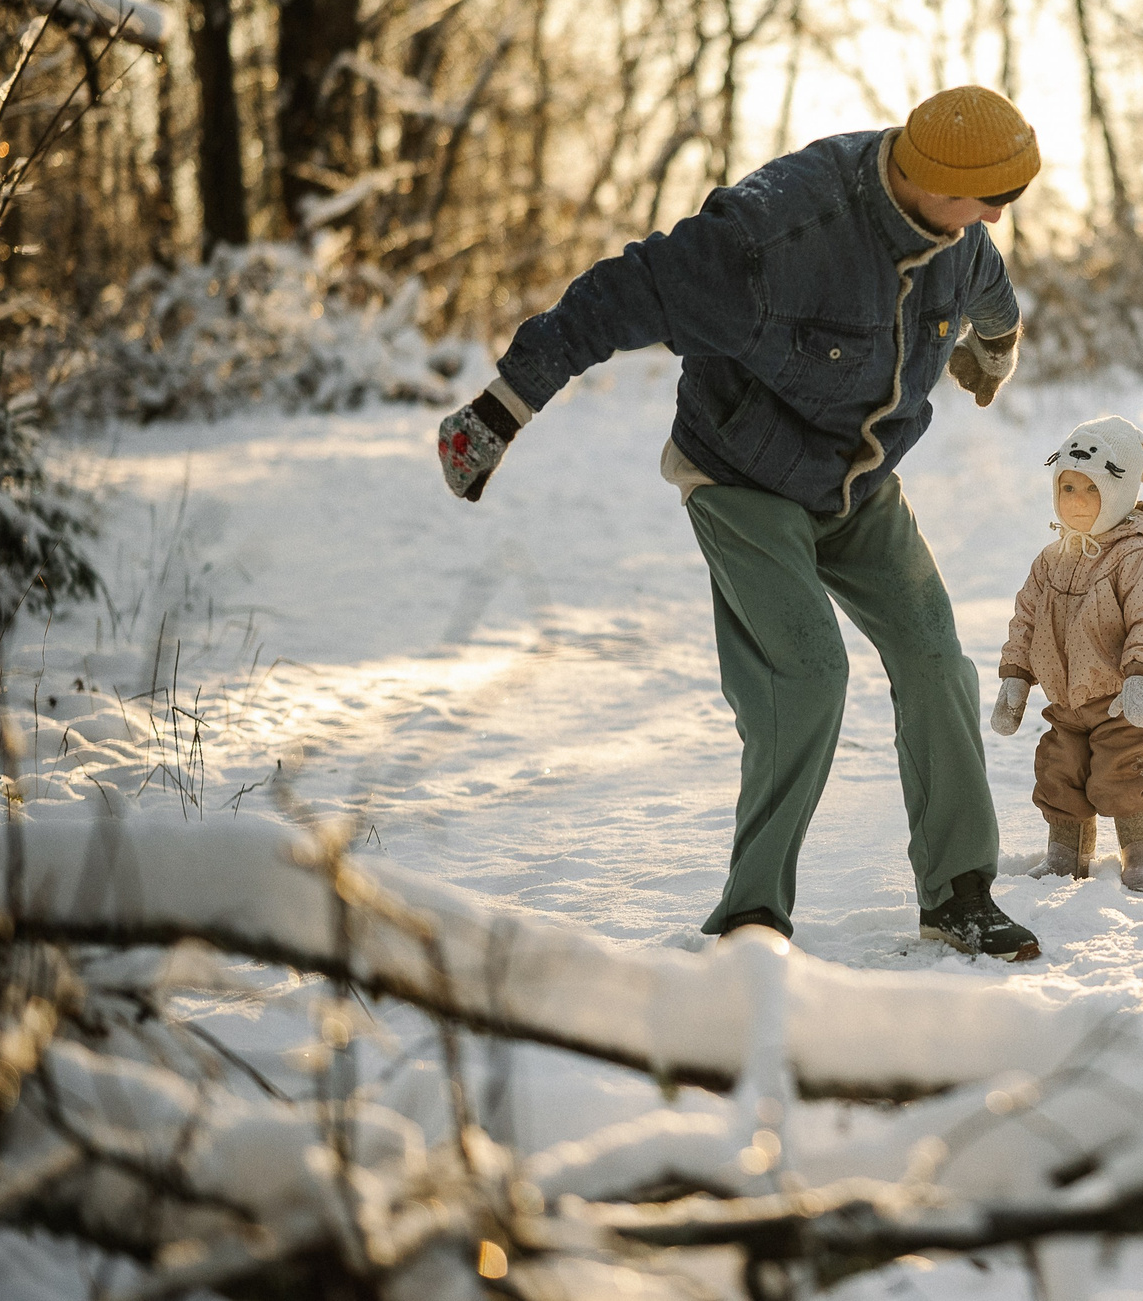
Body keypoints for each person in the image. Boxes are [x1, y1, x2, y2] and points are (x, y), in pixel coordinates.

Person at [434, 85, 1046, 961]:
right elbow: (618, 294)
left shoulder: (958, 237)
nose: (996, 217)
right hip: (743, 475)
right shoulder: (774, 237)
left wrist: (994, 348)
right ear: (937, 180)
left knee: (935, 658)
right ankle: (752, 917)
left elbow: (992, 292)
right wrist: (501, 408)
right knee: (807, 673)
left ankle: (960, 893)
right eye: (990, 198)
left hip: (860, 481)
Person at [990, 416, 1143, 893]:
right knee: (1058, 771)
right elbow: (1026, 618)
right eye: (1067, 487)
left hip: (1125, 703)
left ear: (1119, 492)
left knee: (1121, 773)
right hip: (1069, 704)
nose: (1076, 500)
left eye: (1092, 489)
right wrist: (1015, 677)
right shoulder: (1050, 561)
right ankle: (1066, 853)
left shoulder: (1139, 558)